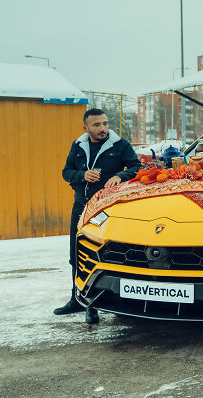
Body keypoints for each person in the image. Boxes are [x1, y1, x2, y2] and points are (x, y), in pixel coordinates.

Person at [55, 108, 140, 324]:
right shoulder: (78, 145)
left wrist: (120, 176)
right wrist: (82, 175)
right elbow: (66, 172)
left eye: (105, 123)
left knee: (101, 254)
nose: (103, 128)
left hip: (106, 209)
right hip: (81, 207)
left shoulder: (120, 144)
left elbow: (136, 167)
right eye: (97, 125)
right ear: (86, 128)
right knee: (77, 254)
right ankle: (77, 299)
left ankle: (95, 304)